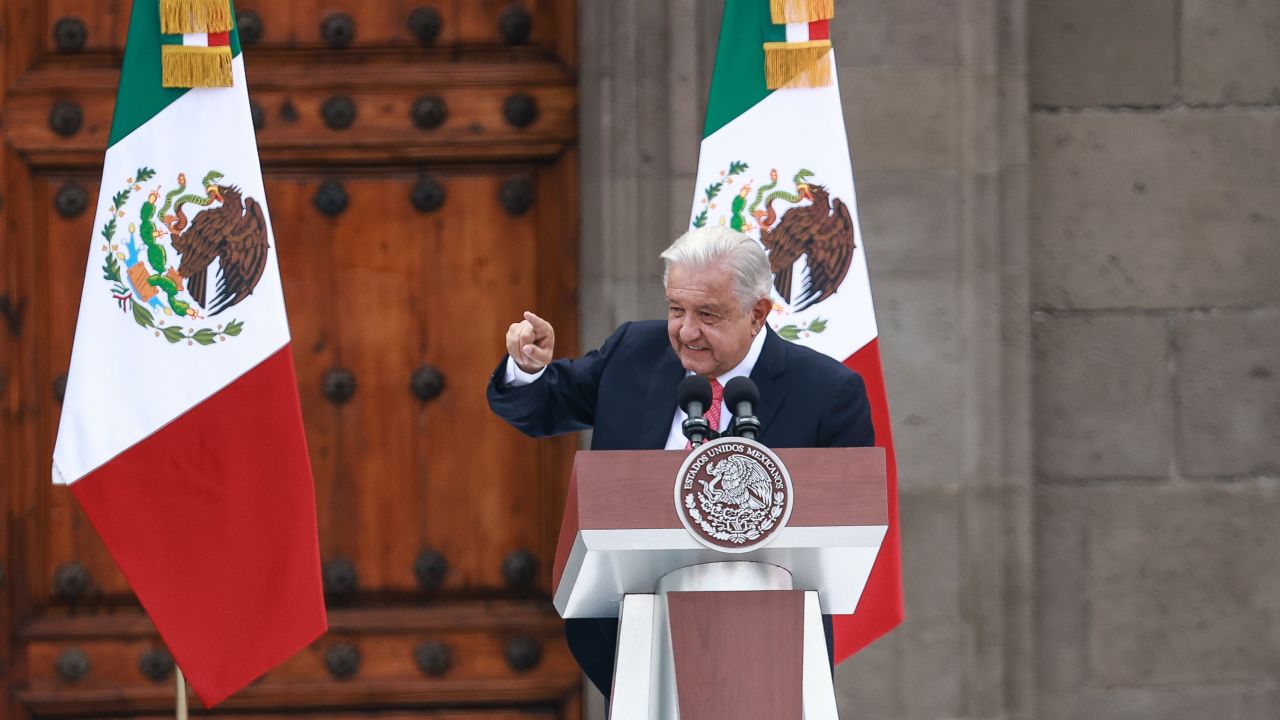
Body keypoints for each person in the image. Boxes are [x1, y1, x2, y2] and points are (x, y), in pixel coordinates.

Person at [486, 225, 874, 697]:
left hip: (770, 650)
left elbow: (846, 528)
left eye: (707, 314)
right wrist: (527, 368)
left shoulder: (827, 392)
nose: (686, 331)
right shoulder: (633, 353)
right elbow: (542, 407)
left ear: (758, 314)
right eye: (676, 310)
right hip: (631, 638)